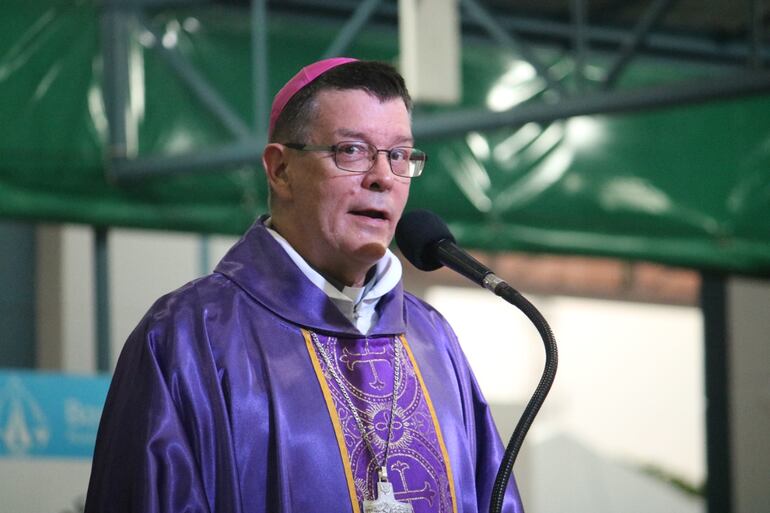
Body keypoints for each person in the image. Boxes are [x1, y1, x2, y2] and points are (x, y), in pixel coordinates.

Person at [85, 58, 523, 513]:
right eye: (351, 150)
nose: (382, 178)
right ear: (280, 170)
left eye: (398, 155)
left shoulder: (433, 341)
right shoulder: (188, 337)